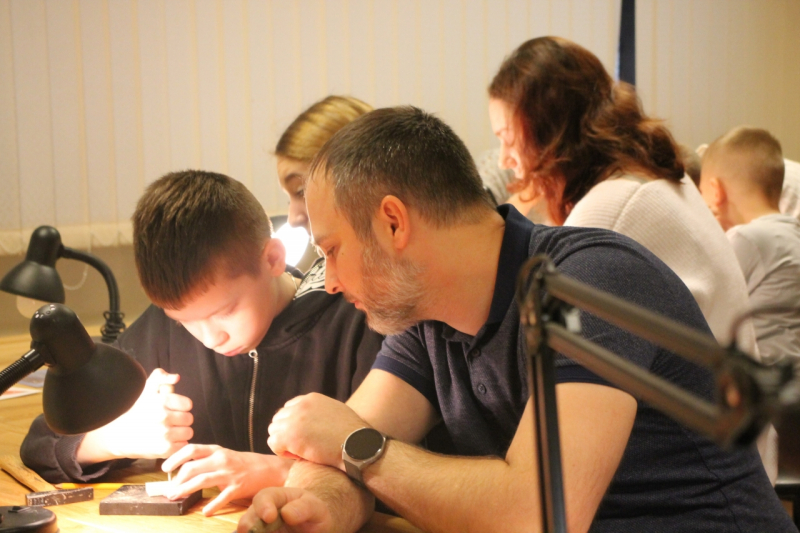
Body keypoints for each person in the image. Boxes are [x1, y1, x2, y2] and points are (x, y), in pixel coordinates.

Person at [237, 107, 793, 533]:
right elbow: (340, 448)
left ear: (393, 224)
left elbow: (538, 513)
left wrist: (357, 445)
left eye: (333, 250)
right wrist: (318, 504)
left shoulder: (583, 283)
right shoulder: (427, 322)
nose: (331, 280)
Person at [20, 170, 383, 516]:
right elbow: (41, 444)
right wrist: (116, 437)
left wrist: (274, 471)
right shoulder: (164, 328)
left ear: (273, 259)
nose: (211, 338)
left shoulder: (351, 321)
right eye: (185, 321)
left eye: (225, 311)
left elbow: (394, 467)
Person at [700, 126, 800, 368]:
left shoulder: (746, 239)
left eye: (701, 192)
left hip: (760, 379)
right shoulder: (791, 232)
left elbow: (704, 304)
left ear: (716, 192)